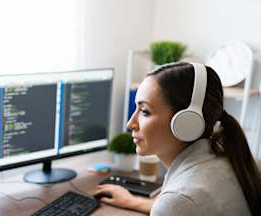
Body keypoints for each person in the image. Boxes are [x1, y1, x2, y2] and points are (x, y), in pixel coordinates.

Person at [95, 62, 261, 216]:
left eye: (145, 111)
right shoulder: (223, 159)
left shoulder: (180, 200)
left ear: (186, 122)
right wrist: (133, 202)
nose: (131, 123)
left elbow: (179, 206)